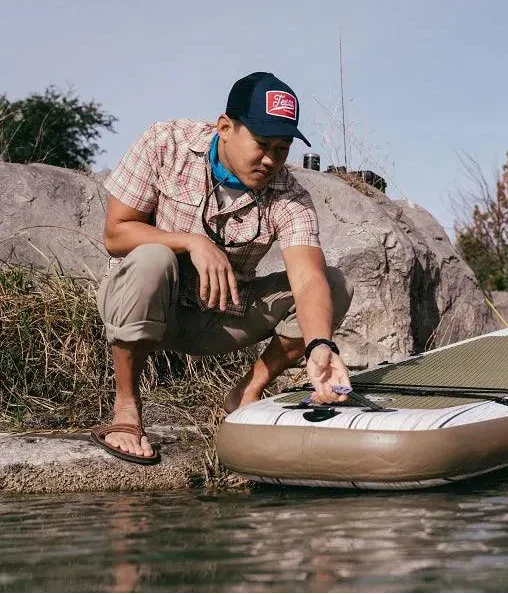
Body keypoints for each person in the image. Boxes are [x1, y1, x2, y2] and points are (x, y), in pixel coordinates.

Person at [91, 72, 354, 464]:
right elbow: (116, 234)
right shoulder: (166, 143)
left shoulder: (291, 194)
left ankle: (246, 392)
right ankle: (126, 408)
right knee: (153, 256)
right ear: (225, 127)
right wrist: (190, 241)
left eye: (282, 149)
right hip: (146, 307)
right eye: (262, 144)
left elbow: (307, 277)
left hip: (221, 317)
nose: (271, 160)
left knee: (334, 284)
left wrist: (320, 346)